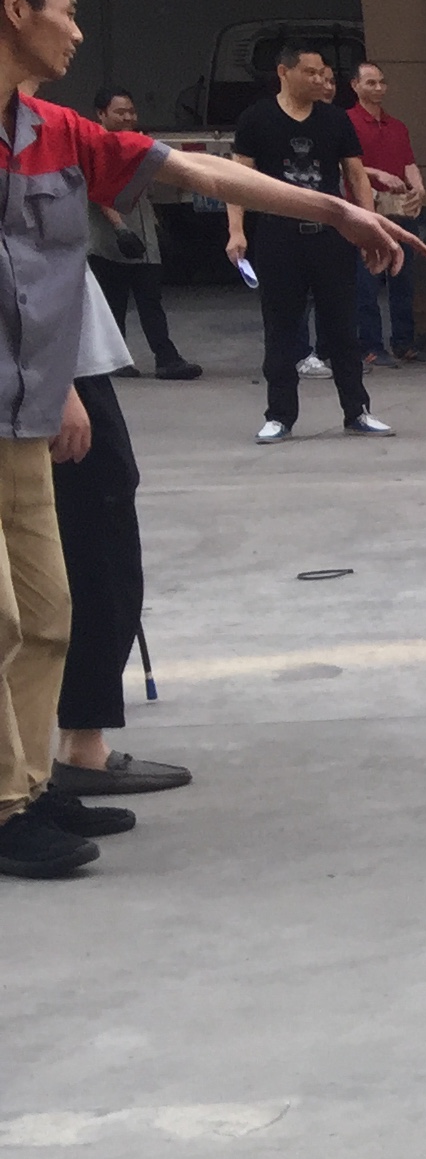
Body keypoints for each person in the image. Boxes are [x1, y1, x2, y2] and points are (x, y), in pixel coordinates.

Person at [3, 0, 418, 878]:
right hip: (24, 392)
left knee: (48, 612)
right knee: (8, 618)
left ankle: (29, 787)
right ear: (16, 9)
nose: (78, 30)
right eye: (67, 10)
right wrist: (58, 379)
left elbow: (200, 174)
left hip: (29, 407)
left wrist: (335, 212)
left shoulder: (55, 131)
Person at [48, 279, 188, 835]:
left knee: (90, 542)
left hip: (56, 361)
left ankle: (66, 746)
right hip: (52, 365)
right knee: (95, 550)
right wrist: (59, 383)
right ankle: (80, 743)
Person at [228, 37, 396, 446]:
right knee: (281, 329)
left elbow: (356, 175)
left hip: (330, 236)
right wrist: (236, 230)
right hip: (277, 235)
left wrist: (368, 224)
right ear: (283, 72)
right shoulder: (257, 118)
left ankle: (357, 410)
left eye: (322, 73)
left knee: (343, 327)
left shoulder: (334, 119)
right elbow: (237, 179)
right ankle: (279, 415)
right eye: (310, 72)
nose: (319, 79)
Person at [83, 87, 196, 380]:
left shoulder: (138, 144)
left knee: (150, 301)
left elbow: (148, 194)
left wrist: (156, 227)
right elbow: (99, 192)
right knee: (113, 303)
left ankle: (166, 359)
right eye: (120, 112)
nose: (128, 117)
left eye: (131, 112)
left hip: (144, 238)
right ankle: (115, 361)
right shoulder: (96, 146)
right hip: (109, 241)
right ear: (101, 114)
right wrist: (120, 229)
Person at [346, 59, 424, 365]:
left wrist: (418, 188)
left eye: (381, 82)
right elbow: (344, 164)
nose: (378, 88)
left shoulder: (397, 126)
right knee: (367, 282)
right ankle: (370, 346)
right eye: (371, 83)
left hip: (399, 211)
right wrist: (377, 173)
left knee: (403, 278)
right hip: (364, 210)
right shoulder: (347, 122)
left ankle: (404, 342)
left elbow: (409, 163)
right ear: (355, 86)